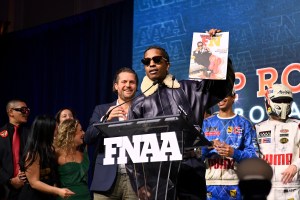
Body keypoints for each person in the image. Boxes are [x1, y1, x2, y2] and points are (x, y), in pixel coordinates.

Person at [127, 29, 235, 200]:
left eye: (157, 60)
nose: (152, 64)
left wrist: (215, 48)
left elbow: (221, 88)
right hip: (157, 174)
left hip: (190, 169)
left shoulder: (189, 89)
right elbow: (131, 148)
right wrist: (140, 183)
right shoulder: (139, 103)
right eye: (147, 62)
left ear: (167, 64)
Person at [84, 67, 138, 200]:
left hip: (136, 180)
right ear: (116, 86)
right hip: (106, 179)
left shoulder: (144, 109)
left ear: (136, 86)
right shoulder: (102, 110)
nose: (128, 85)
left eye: (132, 82)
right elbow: (88, 137)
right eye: (124, 82)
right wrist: (105, 120)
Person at [201, 91, 258, 200]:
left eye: (225, 95)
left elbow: (254, 157)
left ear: (234, 97)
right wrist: (209, 146)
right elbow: (197, 155)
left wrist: (234, 153)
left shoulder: (244, 123)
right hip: (210, 185)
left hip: (236, 185)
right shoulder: (206, 123)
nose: (221, 98)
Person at [255, 83, 300, 200]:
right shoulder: (258, 128)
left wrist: (296, 166)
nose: (283, 104)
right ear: (268, 102)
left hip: (291, 188)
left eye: (286, 101)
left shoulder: (297, 126)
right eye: (279, 100)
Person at [18, 115, 74, 200]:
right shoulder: (33, 153)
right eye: (55, 128)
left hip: (47, 195)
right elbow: (34, 183)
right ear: (47, 131)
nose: (58, 130)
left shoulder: (49, 149)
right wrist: (58, 191)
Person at [0, 99, 30, 200]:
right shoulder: (0, 134)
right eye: (22, 110)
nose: (26, 113)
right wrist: (9, 180)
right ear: (11, 112)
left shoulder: (31, 134)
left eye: (27, 110)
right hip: (4, 188)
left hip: (28, 186)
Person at [54, 119, 90, 200]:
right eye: (80, 130)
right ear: (71, 133)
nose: (83, 133)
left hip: (87, 196)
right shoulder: (56, 153)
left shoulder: (83, 153)